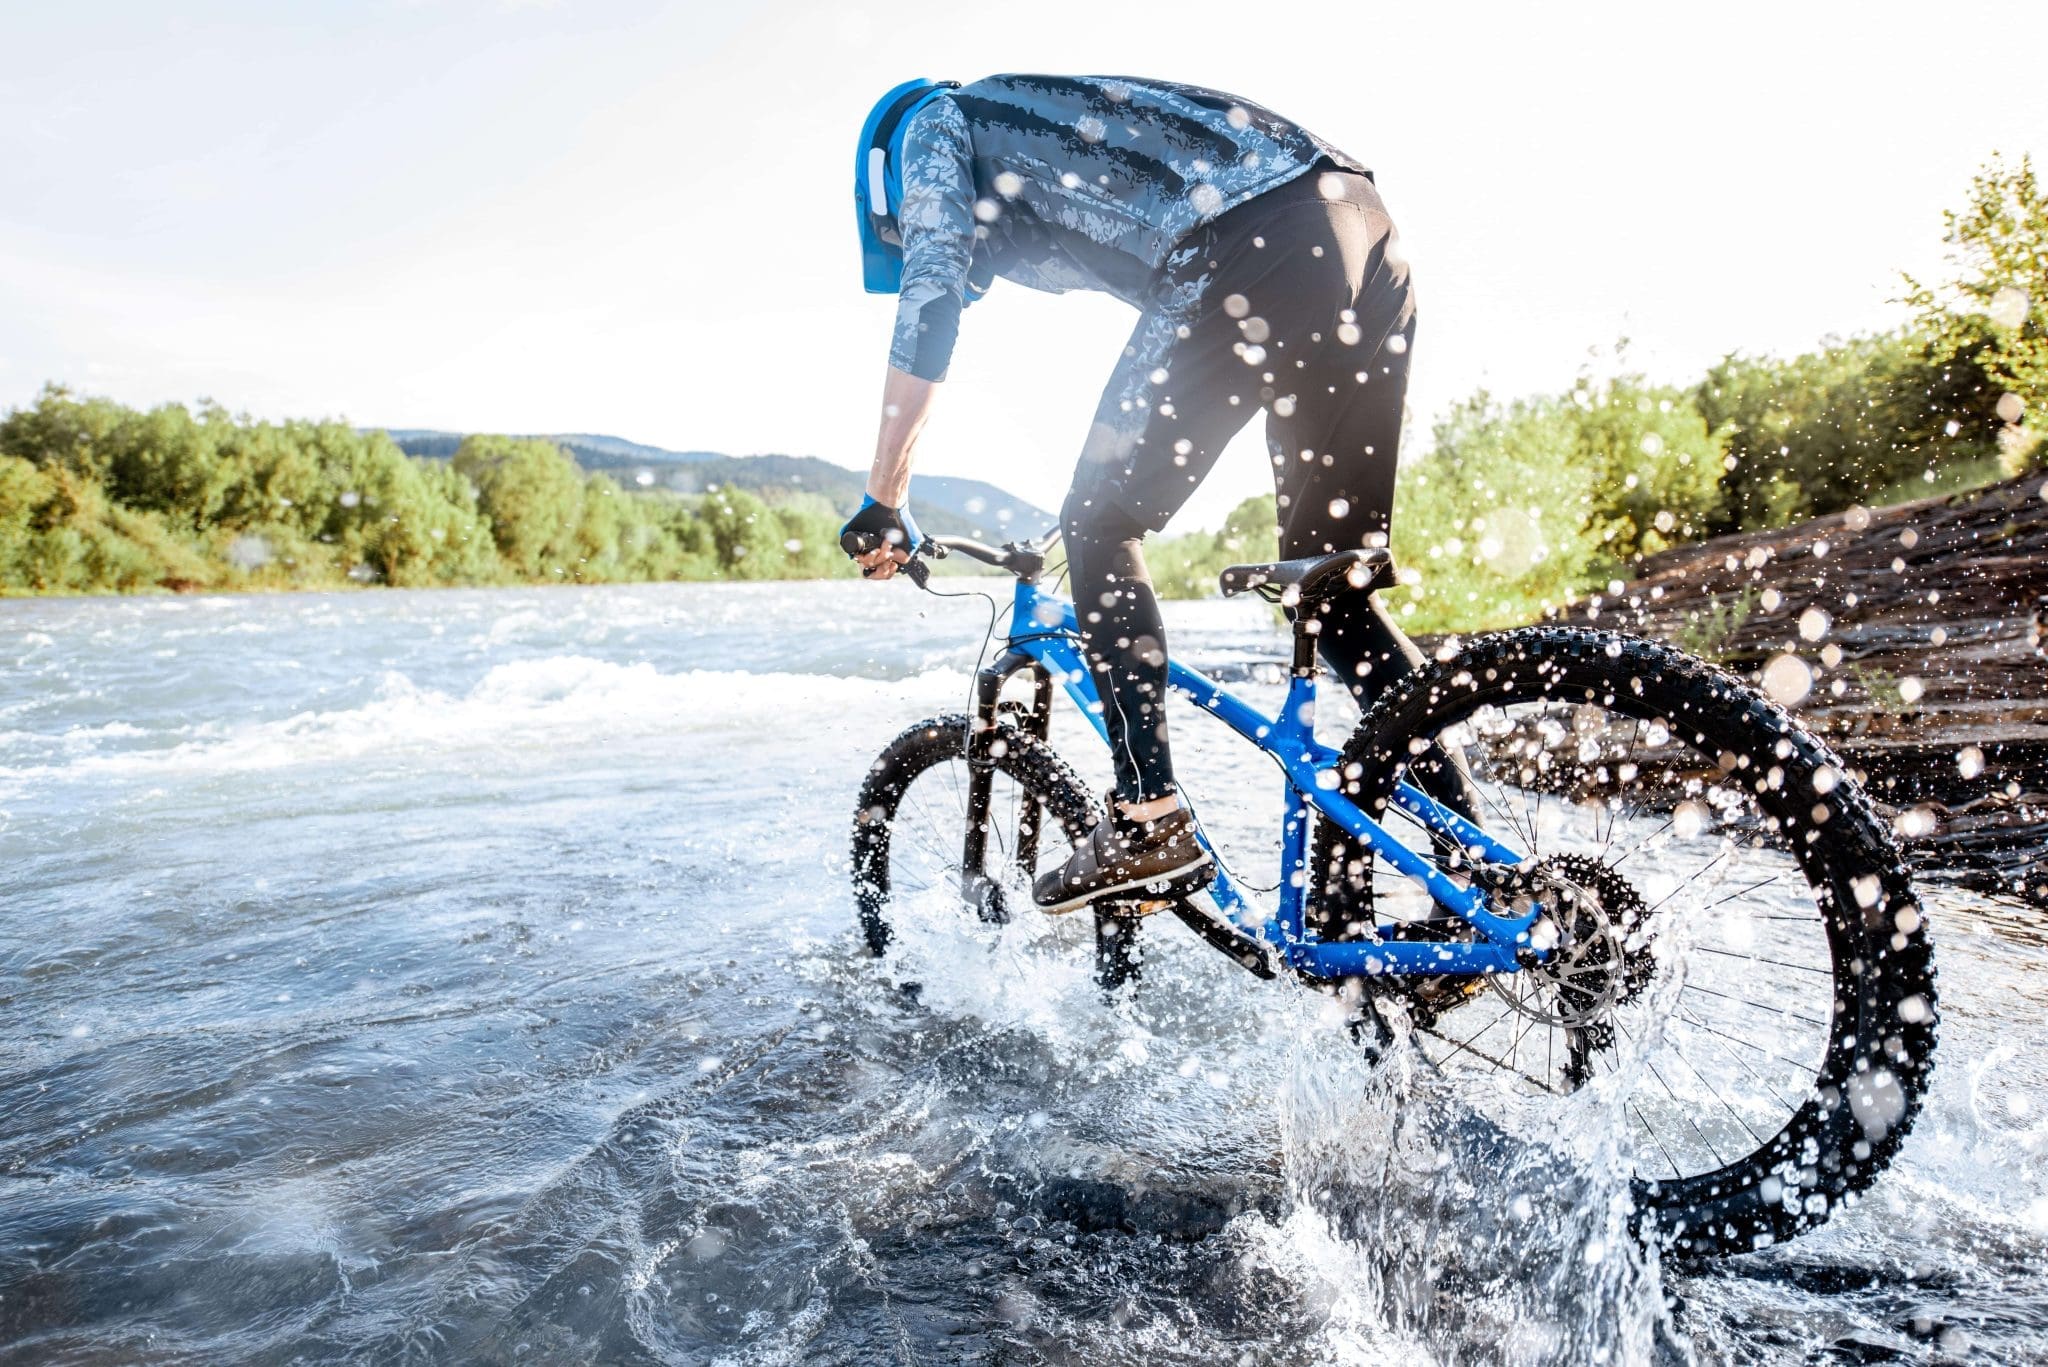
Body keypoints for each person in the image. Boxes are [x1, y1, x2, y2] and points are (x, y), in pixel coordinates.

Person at [840, 74, 1431, 914]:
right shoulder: (1048, 128)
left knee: (1100, 518)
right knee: (1332, 595)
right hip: (1363, 231)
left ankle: (1149, 820)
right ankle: (1488, 876)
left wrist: (884, 495)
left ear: (884, 187)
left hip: (1252, 236)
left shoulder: (928, 126)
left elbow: (932, 294)